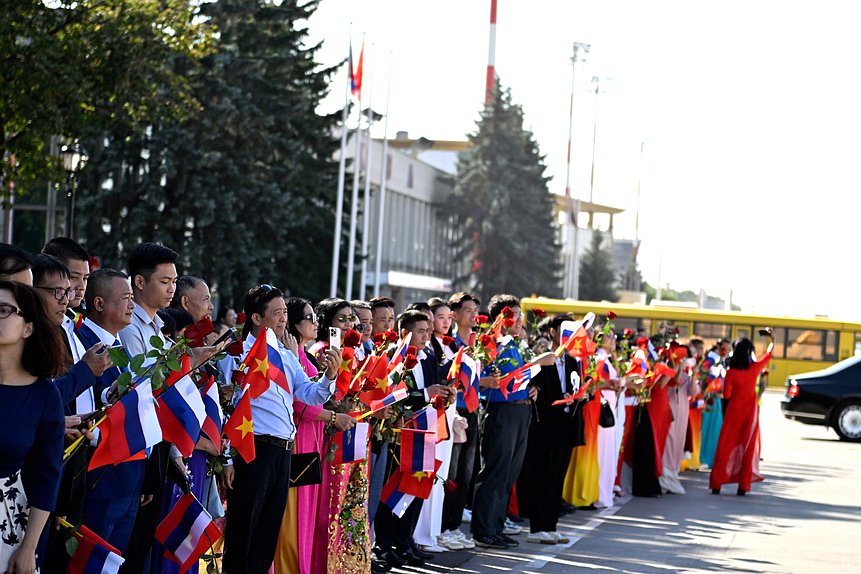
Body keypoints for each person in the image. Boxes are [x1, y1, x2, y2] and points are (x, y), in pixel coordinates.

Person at [222, 285, 341, 574]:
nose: (282, 319)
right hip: (253, 451)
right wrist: (226, 459)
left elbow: (310, 394)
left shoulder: (286, 354)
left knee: (267, 535)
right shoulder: (237, 353)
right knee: (243, 533)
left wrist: (330, 375)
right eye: (276, 313)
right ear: (256, 318)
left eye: (284, 313)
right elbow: (226, 409)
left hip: (283, 452)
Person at [273, 296, 358, 574]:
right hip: (299, 441)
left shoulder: (305, 354)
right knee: (294, 516)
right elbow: (303, 405)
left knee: (306, 514)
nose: (315, 322)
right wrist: (335, 416)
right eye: (309, 317)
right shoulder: (292, 355)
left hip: (312, 438)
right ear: (296, 324)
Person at [471, 294, 552, 549]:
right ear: (501, 318)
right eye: (513, 315)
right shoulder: (491, 344)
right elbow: (482, 379)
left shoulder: (518, 344)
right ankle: (483, 529)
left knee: (509, 473)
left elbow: (522, 375)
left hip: (521, 410)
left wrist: (532, 388)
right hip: (501, 411)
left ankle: (496, 525)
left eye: (520, 314)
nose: (519, 320)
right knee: (495, 470)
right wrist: (538, 362)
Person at [0, 281, 65, 573]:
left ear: (28, 327)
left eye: (3, 310)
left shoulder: (44, 396)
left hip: (8, 527)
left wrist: (29, 547)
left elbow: (47, 478)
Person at [77, 269, 143, 553]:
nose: (131, 304)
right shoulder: (82, 342)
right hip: (100, 477)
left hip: (128, 473)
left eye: (132, 298)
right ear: (99, 304)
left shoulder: (119, 345)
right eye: (126, 297)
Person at [516, 314, 579, 545]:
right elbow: (533, 388)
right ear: (552, 332)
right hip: (545, 427)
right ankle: (537, 527)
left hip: (566, 427)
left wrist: (577, 397)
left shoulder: (573, 362)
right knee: (541, 477)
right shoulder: (541, 358)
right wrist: (555, 398)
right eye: (564, 329)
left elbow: (576, 389)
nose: (569, 335)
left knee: (556, 478)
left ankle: (551, 525)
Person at [710, 332, 774, 495]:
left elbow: (727, 396)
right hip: (749, 412)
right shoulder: (754, 369)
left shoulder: (731, 372)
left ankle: (716, 484)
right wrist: (772, 339)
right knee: (747, 447)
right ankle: (743, 486)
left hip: (733, 411)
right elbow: (768, 354)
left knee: (725, 445)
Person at [440, 292, 482, 534]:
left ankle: (454, 527)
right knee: (452, 473)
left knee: (467, 472)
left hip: (472, 412)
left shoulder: (476, 346)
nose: (474, 315)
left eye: (475, 310)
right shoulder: (451, 345)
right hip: (456, 413)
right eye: (468, 310)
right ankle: (445, 527)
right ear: (454, 315)